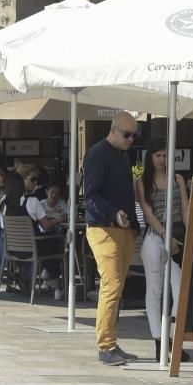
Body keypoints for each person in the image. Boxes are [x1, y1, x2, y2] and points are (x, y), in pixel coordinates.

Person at [83, 111, 140, 366]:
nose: (131, 140)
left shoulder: (122, 155)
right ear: (113, 130)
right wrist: (114, 213)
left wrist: (132, 223)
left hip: (122, 229)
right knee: (112, 285)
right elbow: (91, 196)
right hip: (103, 229)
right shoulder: (98, 153)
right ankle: (105, 346)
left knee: (117, 288)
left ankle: (112, 343)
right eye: (127, 135)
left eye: (134, 136)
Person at [135, 138, 191, 363]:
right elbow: (148, 214)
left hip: (179, 235)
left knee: (180, 291)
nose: (161, 159)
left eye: (165, 155)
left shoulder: (178, 179)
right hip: (154, 236)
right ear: (150, 157)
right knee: (155, 290)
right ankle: (159, 341)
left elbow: (186, 210)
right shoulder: (142, 181)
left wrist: (190, 236)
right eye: (157, 155)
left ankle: (171, 340)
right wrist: (166, 236)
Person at [1, 171, 63, 299]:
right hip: (32, 248)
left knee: (48, 242)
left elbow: (2, 226)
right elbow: (46, 225)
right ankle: (56, 285)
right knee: (55, 240)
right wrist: (58, 220)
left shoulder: (3, 203)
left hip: (12, 248)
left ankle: (45, 275)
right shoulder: (32, 202)